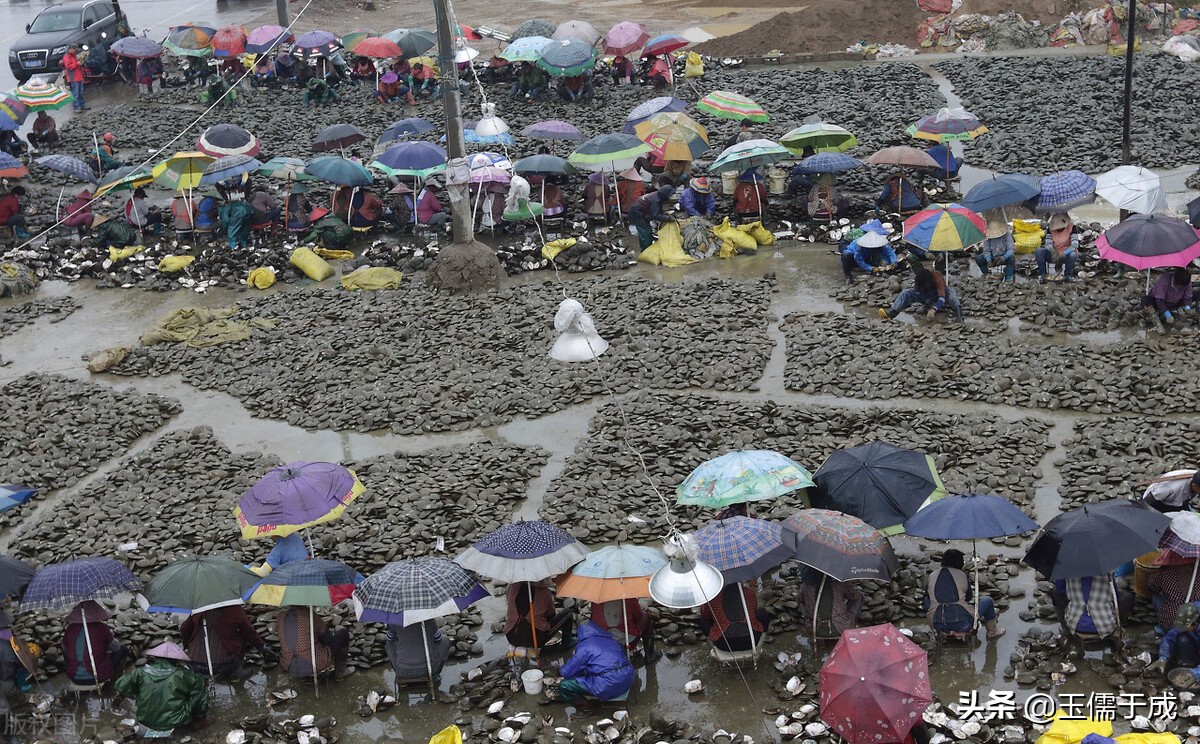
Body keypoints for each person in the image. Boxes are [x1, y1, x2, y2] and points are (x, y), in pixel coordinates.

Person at [113, 642, 209, 736]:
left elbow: (121, 685)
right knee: (200, 688)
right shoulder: (183, 674)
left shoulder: (140, 672)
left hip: (144, 719)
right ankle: (199, 720)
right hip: (172, 721)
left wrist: (117, 702)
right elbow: (200, 685)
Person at [922, 549, 1005, 639]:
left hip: (937, 624)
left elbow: (928, 596)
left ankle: (944, 632)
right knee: (987, 601)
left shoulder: (932, 575)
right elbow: (968, 597)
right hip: (963, 624)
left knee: (926, 599)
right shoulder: (963, 575)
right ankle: (992, 632)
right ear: (960, 562)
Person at [547, 621, 636, 703]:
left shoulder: (584, 647)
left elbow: (568, 672)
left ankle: (587, 709)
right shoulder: (612, 641)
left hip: (607, 685)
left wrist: (560, 671)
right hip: (628, 677)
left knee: (564, 685)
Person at [180, 605, 264, 679]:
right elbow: (249, 632)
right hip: (222, 665)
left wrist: (186, 647)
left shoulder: (199, 609)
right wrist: (262, 648)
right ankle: (236, 673)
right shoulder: (235, 609)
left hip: (193, 663)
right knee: (242, 638)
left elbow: (184, 629)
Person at [63, 600, 128, 685]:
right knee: (123, 650)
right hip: (98, 677)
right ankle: (114, 681)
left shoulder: (70, 629)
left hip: (74, 677)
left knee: (65, 652)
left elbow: (64, 648)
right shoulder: (102, 628)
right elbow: (116, 648)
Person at [277, 607, 351, 680]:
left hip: (288, 665)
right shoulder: (309, 614)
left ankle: (303, 677)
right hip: (312, 664)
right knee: (343, 633)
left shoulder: (280, 617)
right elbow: (328, 638)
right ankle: (340, 674)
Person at [1053, 574, 1133, 639]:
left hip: (1074, 625)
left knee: (1055, 593)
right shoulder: (1107, 571)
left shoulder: (1066, 569)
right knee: (1127, 597)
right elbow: (1115, 596)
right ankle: (1118, 630)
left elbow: (1060, 591)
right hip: (1105, 627)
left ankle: (1066, 630)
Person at [699, 583, 771, 652]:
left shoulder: (712, 596)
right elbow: (754, 610)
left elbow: (705, 615)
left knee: (703, 620)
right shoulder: (750, 592)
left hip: (723, 644)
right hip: (751, 641)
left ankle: (713, 646)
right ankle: (760, 643)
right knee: (762, 613)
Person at [879, 263, 963, 321]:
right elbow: (917, 292)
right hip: (925, 295)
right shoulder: (919, 279)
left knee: (952, 294)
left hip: (938, 294)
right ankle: (892, 314)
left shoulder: (937, 276)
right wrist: (927, 302)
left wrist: (934, 309)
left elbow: (942, 297)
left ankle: (959, 316)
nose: (926, 285)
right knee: (906, 293)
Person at [504, 581, 575, 649]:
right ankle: (566, 644)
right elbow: (551, 615)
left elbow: (509, 604)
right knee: (568, 614)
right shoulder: (544, 592)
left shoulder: (512, 587)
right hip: (536, 640)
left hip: (511, 636)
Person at [798, 567, 863, 638]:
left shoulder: (806, 585)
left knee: (801, 602)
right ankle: (851, 625)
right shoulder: (839, 584)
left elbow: (800, 599)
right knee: (860, 596)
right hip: (840, 626)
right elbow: (854, 595)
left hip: (814, 628)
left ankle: (810, 621)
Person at [590, 598, 659, 662]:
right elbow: (638, 616)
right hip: (624, 642)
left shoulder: (596, 599)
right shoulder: (628, 599)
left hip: (601, 641)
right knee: (645, 617)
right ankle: (650, 655)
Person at [1148, 550, 1200, 632]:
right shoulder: (1197, 570)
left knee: (1156, 596)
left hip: (1172, 620)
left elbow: (1152, 587)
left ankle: (1164, 626)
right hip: (1195, 619)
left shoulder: (1164, 572)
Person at [385, 620, 451, 681]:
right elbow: (438, 639)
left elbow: (390, 639)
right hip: (429, 669)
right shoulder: (428, 620)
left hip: (402, 670)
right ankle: (436, 673)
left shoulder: (395, 621)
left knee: (389, 644)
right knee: (445, 640)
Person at [1149, 602, 1200, 673]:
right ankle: (1189, 664)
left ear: (1195, 624)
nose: (1182, 629)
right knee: (1183, 638)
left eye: (1184, 627)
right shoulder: (1188, 613)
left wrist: (1196, 674)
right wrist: (1163, 657)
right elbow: (1170, 636)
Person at [1142, 267, 1194, 333]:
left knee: (1197, 293)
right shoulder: (1164, 280)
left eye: (1182, 286)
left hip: (1176, 301)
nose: (1180, 287)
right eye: (1179, 285)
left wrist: (1188, 307)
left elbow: (1188, 296)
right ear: (1175, 280)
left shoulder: (1186, 281)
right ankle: (1157, 322)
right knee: (1145, 300)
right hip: (1159, 302)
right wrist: (1168, 315)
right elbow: (1159, 300)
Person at [627, 185, 676, 251]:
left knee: (647, 230)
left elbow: (658, 210)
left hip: (641, 212)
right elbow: (655, 215)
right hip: (637, 214)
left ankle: (647, 246)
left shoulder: (657, 196)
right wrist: (668, 218)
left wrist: (664, 214)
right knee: (645, 231)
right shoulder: (655, 200)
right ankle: (645, 249)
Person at [1037, 212, 1079, 283]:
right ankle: (1043, 275)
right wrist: (1053, 252)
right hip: (1053, 254)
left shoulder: (1072, 227)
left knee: (1073, 255)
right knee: (1039, 251)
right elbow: (1048, 243)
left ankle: (1067, 275)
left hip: (1066, 254)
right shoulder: (1050, 229)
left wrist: (1065, 253)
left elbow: (1075, 244)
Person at [975, 217, 1016, 282]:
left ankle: (1008, 277)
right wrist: (989, 260)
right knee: (979, 258)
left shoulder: (1007, 235)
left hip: (1004, 256)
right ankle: (987, 275)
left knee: (1011, 258)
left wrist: (1003, 258)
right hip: (992, 257)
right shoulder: (988, 237)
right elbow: (986, 250)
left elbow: (1011, 249)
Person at [63, 46, 86, 111]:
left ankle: (82, 105)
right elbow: (69, 66)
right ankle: (77, 108)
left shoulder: (74, 56)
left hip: (79, 76)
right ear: (70, 49)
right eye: (74, 49)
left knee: (80, 92)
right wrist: (77, 64)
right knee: (75, 93)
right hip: (73, 77)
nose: (75, 51)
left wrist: (80, 64)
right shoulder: (66, 57)